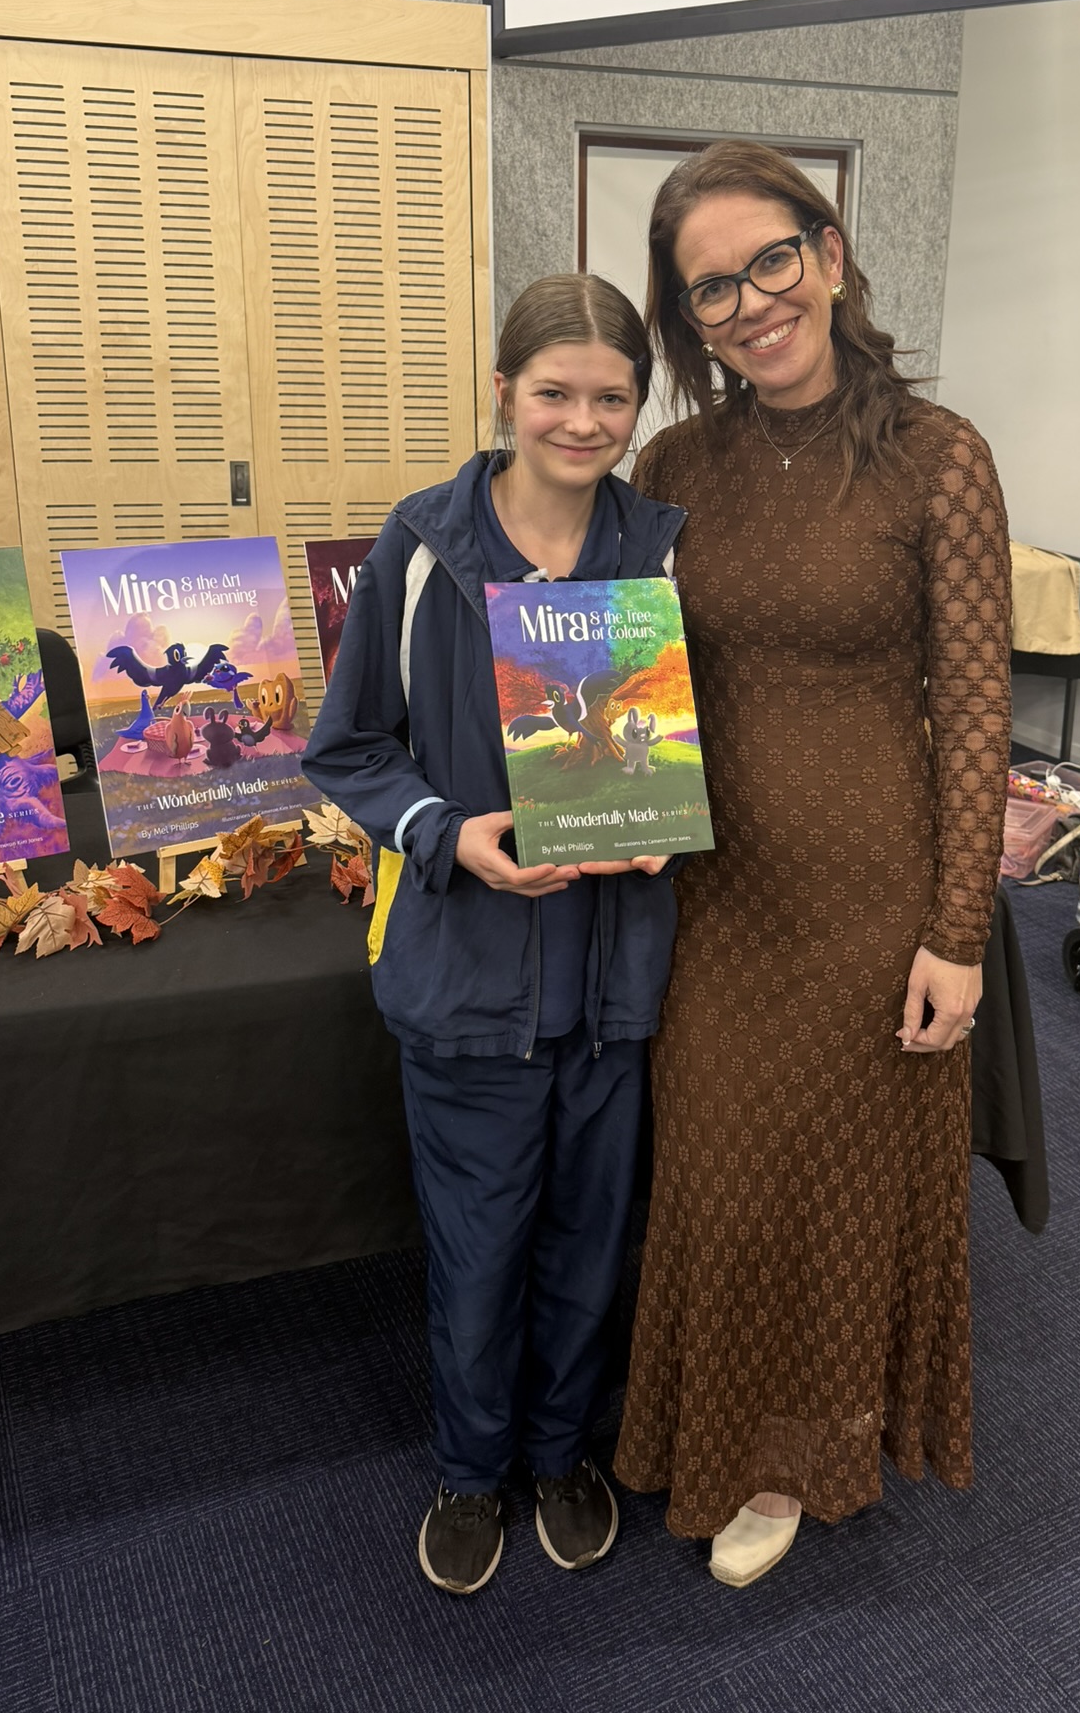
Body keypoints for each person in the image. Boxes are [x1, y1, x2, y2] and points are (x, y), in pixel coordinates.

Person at [613, 142, 1012, 1586]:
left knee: (834, 1185)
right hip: (712, 894)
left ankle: (797, 1455)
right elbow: (622, 666)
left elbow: (976, 705)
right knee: (721, 1179)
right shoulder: (674, 465)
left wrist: (959, 930)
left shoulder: (940, 456)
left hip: (871, 895)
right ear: (688, 318)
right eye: (709, 288)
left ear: (830, 256)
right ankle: (709, 1422)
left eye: (769, 261)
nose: (750, 303)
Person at [303, 275, 683, 1597]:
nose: (582, 422)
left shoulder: (663, 550)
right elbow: (348, 747)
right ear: (506, 391)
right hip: (466, 976)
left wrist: (667, 812)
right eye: (554, 393)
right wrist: (445, 833)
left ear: (639, 405)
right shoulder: (421, 548)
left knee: (588, 1242)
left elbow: (691, 740)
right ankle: (471, 1472)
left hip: (616, 974)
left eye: (612, 398)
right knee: (477, 1252)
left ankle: (562, 1455)